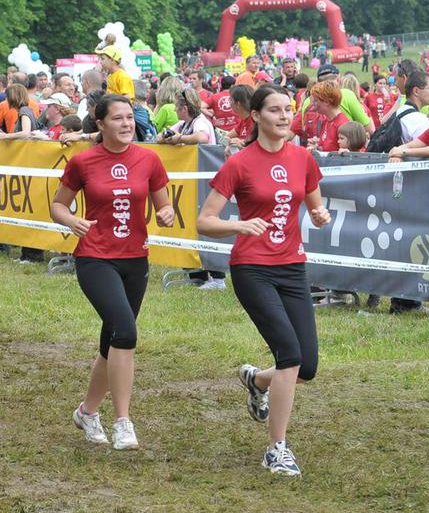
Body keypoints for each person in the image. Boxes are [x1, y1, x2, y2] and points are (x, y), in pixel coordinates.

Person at [196, 85, 331, 477]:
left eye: (288, 109)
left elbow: (315, 204)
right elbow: (205, 221)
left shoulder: (303, 158)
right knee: (289, 354)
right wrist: (239, 225)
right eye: (274, 110)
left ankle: (257, 380)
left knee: (306, 367)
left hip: (292, 267)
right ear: (255, 116)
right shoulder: (239, 163)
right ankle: (276, 449)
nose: (284, 116)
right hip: (252, 268)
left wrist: (320, 215)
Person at [50, 94, 174, 450]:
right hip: (95, 257)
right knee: (126, 331)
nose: (126, 124)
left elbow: (163, 204)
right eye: (117, 118)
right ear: (100, 123)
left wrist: (165, 213)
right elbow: (58, 205)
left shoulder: (149, 159)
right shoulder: (83, 161)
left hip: (135, 260)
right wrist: (72, 220)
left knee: (113, 341)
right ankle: (123, 421)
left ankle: (87, 412)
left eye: (129, 117)